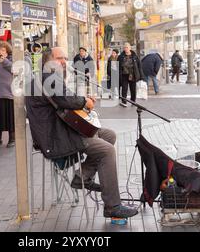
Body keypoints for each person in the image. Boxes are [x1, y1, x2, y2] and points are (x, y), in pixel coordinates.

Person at [26, 47, 139, 219]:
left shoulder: (48, 77)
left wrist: (82, 101)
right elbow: (66, 100)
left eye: (65, 57)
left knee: (109, 135)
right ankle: (112, 206)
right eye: (59, 58)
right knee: (106, 150)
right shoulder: (48, 77)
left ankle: (82, 176)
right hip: (56, 137)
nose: (64, 61)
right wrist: (85, 102)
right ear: (47, 61)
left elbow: (65, 98)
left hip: (62, 130)